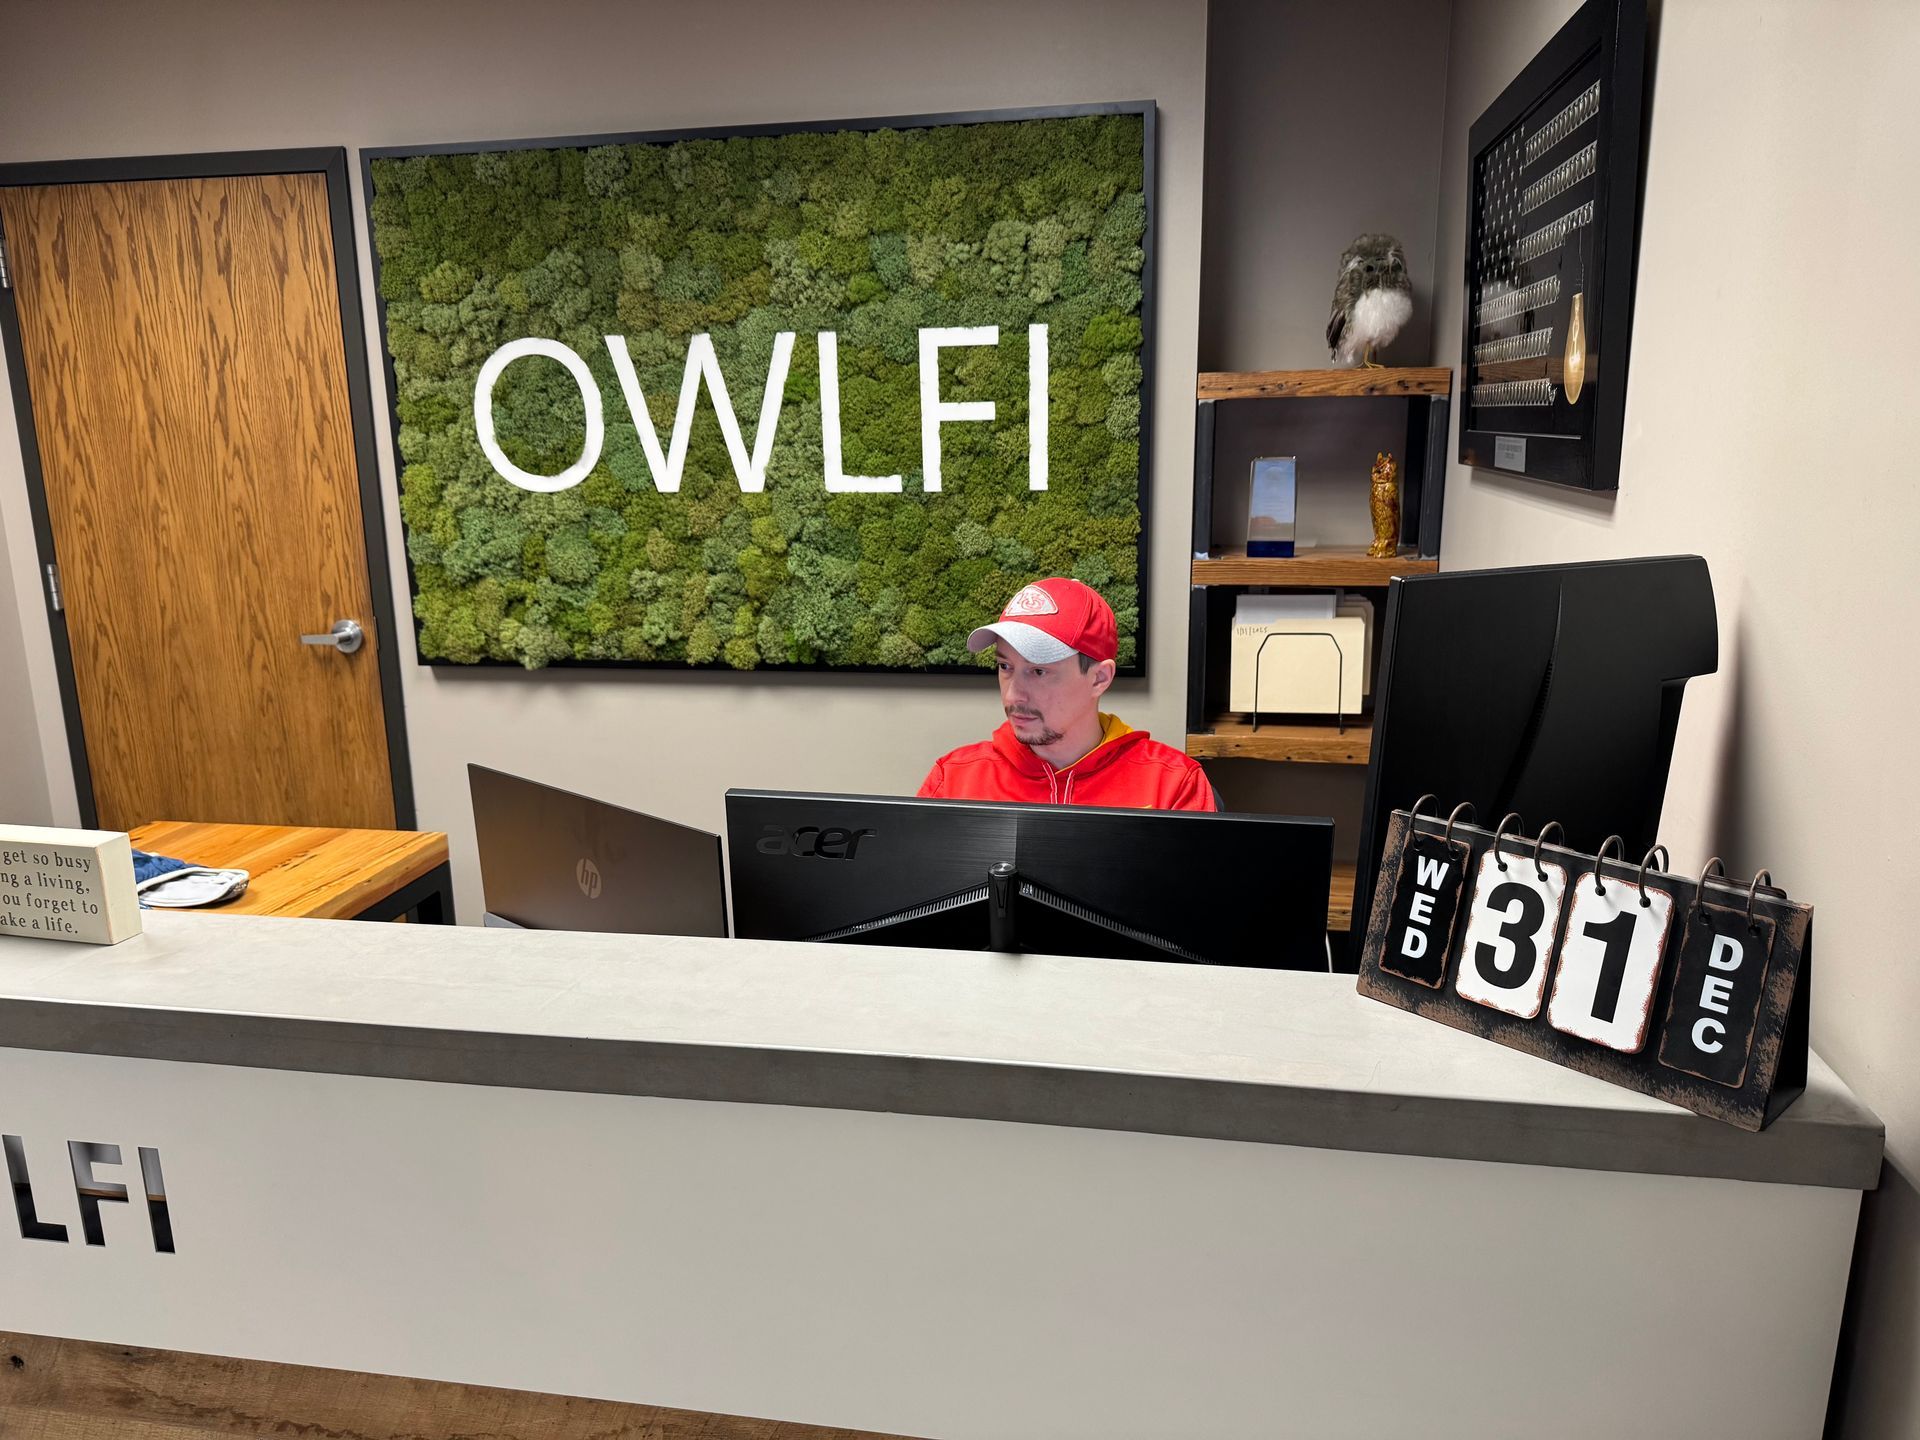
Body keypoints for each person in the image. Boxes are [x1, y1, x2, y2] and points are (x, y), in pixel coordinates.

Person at [917, 578, 1218, 811]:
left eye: (1038, 671)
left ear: (1099, 678)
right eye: (1005, 666)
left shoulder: (1173, 785)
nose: (1013, 696)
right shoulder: (954, 780)